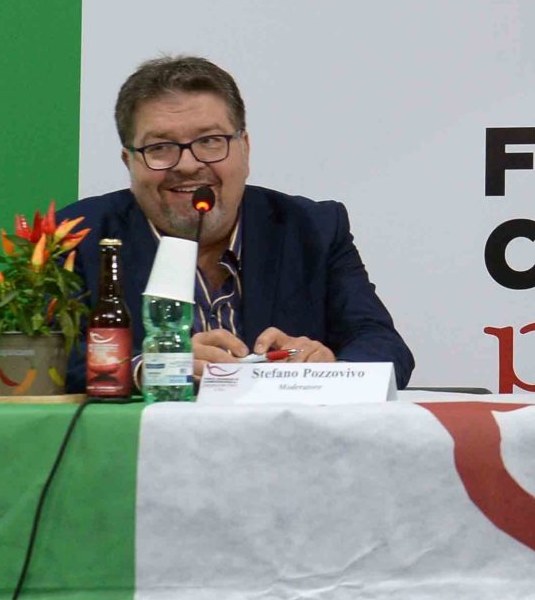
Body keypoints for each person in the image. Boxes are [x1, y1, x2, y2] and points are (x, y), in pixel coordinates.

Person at [62, 56, 414, 391]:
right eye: (160, 147)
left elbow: (383, 347)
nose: (187, 165)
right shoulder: (77, 236)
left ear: (245, 148)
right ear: (129, 162)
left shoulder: (313, 229)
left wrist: (329, 368)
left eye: (209, 141)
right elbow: (51, 356)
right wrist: (152, 367)